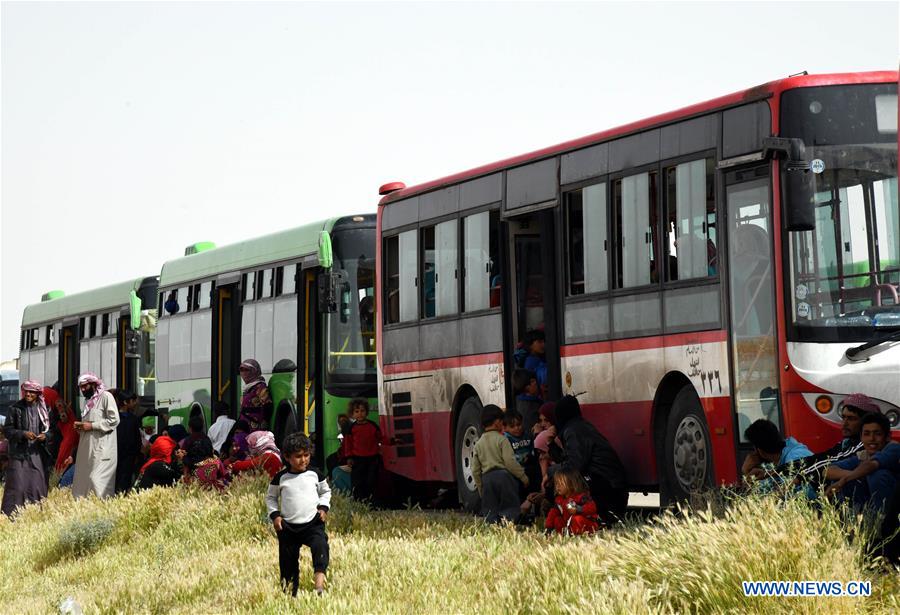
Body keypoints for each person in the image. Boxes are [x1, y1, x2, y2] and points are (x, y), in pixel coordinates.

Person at [266, 432, 331, 596]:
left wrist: (323, 508)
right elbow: (271, 497)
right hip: (288, 527)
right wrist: (275, 515)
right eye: (298, 456)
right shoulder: (280, 478)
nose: (304, 460)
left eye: (306, 455)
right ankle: (290, 593)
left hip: (313, 524)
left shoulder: (315, 474)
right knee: (288, 562)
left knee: (320, 548)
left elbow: (325, 492)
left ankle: (319, 588)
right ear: (287, 457)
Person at [553, 395, 627, 525]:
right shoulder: (580, 426)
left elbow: (574, 466)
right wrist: (551, 445)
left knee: (559, 479)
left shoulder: (573, 430)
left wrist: (551, 474)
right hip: (613, 487)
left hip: (606, 489)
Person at [826, 412, 899, 514]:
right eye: (867, 434)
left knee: (876, 475)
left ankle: (883, 523)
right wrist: (855, 476)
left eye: (877, 434)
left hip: (894, 508)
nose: (871, 439)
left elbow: (872, 465)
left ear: (887, 436)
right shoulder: (863, 455)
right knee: (845, 479)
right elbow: (828, 470)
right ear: (861, 437)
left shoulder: (894, 448)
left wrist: (844, 480)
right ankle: (853, 522)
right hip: (870, 504)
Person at [471, 404, 529, 523]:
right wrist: (523, 477)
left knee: (490, 508)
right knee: (509, 506)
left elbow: (475, 470)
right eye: (502, 421)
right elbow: (510, 462)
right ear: (497, 422)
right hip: (504, 478)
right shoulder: (502, 440)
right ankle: (509, 523)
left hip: (487, 479)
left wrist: (481, 488)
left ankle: (492, 525)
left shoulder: (478, 444)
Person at [1, 380, 51, 516]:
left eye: (31, 392)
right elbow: (8, 430)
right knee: (18, 485)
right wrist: (23, 434)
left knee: (37, 484)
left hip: (37, 453)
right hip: (19, 453)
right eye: (26, 391)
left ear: (37, 393)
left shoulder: (44, 409)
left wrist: (45, 436)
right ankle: (12, 516)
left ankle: (35, 515)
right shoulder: (15, 408)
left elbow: (52, 430)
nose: (28, 394)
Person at [72, 373, 121, 499]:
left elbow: (114, 420)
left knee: (97, 482)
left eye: (85, 386)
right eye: (81, 387)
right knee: (84, 484)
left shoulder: (106, 396)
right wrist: (81, 427)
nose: (83, 390)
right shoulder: (88, 402)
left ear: (93, 385)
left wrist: (92, 426)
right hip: (88, 450)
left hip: (102, 450)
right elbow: (89, 424)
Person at [741, 419, 813, 490]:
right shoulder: (771, 466)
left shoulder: (796, 456)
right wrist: (746, 472)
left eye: (754, 449)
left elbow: (799, 495)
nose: (753, 454)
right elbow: (760, 493)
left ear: (760, 451)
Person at [342, 398, 382, 503]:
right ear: (352, 414)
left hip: (373, 458)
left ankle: (372, 503)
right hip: (357, 459)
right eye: (357, 411)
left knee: (372, 481)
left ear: (367, 412)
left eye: (362, 411)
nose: (360, 413)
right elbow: (348, 444)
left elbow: (380, 438)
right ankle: (359, 503)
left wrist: (392, 441)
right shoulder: (351, 428)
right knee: (358, 482)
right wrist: (349, 457)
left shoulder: (373, 426)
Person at [544, 467, 601, 535]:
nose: (557, 486)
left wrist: (579, 509)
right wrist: (548, 527)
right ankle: (563, 534)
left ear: (571, 484)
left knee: (576, 519)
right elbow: (553, 513)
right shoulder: (559, 500)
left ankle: (579, 533)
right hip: (568, 523)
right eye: (556, 483)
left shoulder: (581, 497)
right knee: (557, 519)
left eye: (561, 483)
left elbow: (592, 508)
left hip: (586, 522)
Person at [115, 390, 143, 494]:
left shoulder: (133, 419)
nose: (135, 403)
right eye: (132, 401)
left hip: (129, 456)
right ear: (126, 402)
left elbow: (137, 439)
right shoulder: (115, 419)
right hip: (118, 455)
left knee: (126, 479)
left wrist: (136, 454)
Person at [238, 359, 272, 432]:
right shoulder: (247, 388)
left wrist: (261, 424)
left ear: (254, 371)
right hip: (245, 426)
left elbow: (267, 405)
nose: (243, 372)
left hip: (255, 429)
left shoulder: (260, 387)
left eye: (246, 370)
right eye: (241, 369)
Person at [512, 368, 542, 434]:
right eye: (533, 381)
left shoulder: (519, 401)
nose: (536, 383)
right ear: (527, 387)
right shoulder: (531, 408)